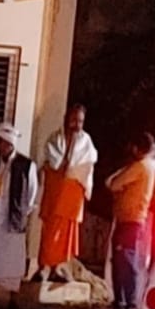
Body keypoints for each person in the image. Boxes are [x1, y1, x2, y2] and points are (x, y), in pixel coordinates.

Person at [36, 104, 98, 284]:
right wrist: (63, 164)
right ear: (66, 119)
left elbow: (88, 165)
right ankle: (44, 266)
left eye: (80, 121)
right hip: (55, 193)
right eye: (74, 120)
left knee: (66, 234)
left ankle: (58, 267)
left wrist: (73, 170)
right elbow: (51, 162)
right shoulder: (55, 139)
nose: (77, 125)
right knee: (50, 230)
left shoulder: (86, 141)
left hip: (72, 194)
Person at [0, 122, 36, 305]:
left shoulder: (26, 165)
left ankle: (13, 299)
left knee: (12, 259)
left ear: (10, 143)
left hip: (13, 219)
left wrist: (22, 212)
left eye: (1, 142)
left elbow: (32, 192)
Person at [106, 133, 155, 309]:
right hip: (134, 219)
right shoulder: (149, 166)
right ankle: (125, 301)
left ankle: (127, 301)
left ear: (137, 148)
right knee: (125, 260)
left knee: (125, 261)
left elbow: (113, 183)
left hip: (129, 219)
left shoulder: (140, 166)